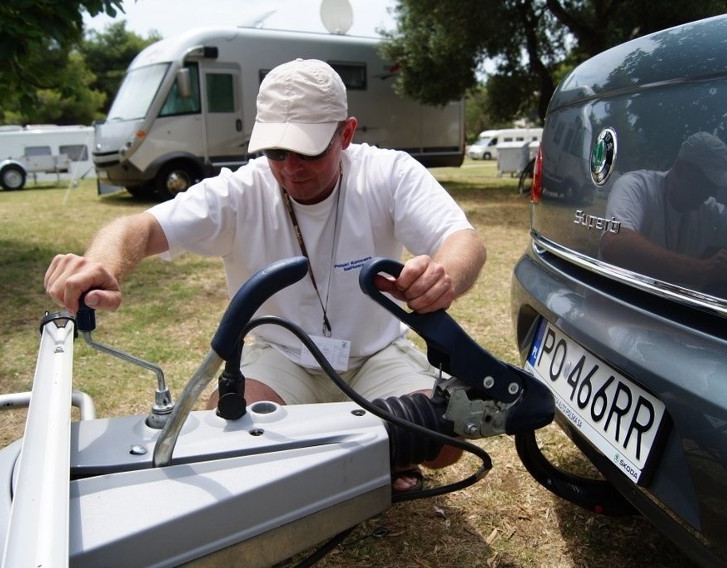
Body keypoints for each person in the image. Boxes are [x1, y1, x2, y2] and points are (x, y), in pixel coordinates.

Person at [44, 58, 486, 493]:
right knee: (233, 432)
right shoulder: (239, 191)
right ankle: (370, 461)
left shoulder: (389, 174)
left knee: (445, 441)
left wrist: (443, 274)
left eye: (309, 151)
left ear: (346, 134)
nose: (291, 169)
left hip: (376, 354)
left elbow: (463, 241)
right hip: (281, 355)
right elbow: (138, 228)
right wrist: (103, 262)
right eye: (276, 152)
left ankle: (340, 462)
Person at [600, 131, 727, 292]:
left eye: (714, 186)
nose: (711, 192)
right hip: (615, 306)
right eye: (705, 183)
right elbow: (614, 244)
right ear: (680, 168)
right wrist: (701, 270)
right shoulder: (635, 186)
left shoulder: (709, 209)